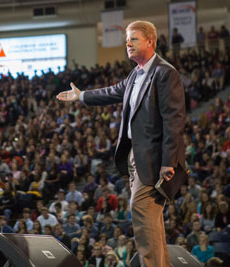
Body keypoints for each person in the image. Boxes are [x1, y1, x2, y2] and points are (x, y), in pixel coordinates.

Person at [57, 20, 187, 267]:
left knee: (142, 214)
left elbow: (174, 121)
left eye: (134, 39)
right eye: (127, 39)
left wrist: (168, 162)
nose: (127, 43)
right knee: (152, 221)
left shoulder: (165, 73)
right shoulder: (135, 74)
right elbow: (112, 92)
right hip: (135, 159)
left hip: (153, 161)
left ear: (150, 41)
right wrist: (81, 96)